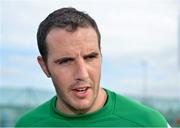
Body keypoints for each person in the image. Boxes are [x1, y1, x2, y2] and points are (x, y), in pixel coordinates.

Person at [15, 7, 169, 127]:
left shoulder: (149, 123)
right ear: (44, 67)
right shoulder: (27, 125)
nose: (82, 74)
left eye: (90, 57)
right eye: (66, 61)